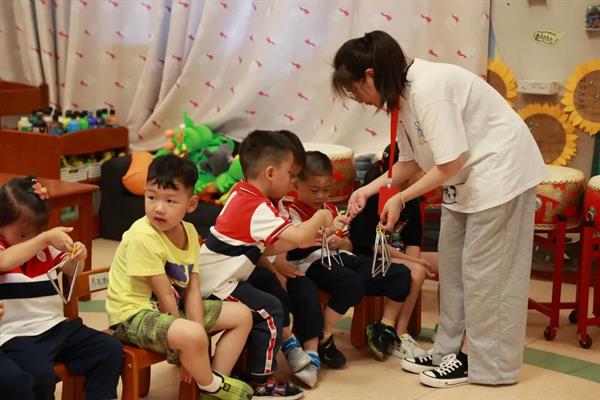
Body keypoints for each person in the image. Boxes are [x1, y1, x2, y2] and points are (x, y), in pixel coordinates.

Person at [333, 30, 546, 388]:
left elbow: (448, 162)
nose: (360, 100)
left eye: (356, 91)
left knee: (486, 275)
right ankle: (448, 350)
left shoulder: (429, 90)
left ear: (370, 75)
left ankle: (481, 363)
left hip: (501, 175)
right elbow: (411, 162)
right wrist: (368, 190)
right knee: (453, 266)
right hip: (468, 181)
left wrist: (401, 198)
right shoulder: (402, 95)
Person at [198, 130, 333, 399]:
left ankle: (245, 368)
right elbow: (298, 236)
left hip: (217, 278)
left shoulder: (242, 193)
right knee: (270, 309)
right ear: (270, 173)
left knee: (267, 290)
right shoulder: (256, 206)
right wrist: (322, 216)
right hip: (216, 285)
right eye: (290, 175)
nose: (292, 182)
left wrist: (304, 237)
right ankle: (262, 382)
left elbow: (268, 247)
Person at [106, 155, 253, 400]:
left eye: (170, 200)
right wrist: (184, 350)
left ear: (191, 204)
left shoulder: (190, 232)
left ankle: (212, 387)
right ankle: (212, 384)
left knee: (242, 315)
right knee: (193, 335)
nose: (158, 207)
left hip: (170, 311)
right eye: (151, 197)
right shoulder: (142, 235)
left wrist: (195, 341)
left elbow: (192, 288)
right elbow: (164, 294)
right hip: (132, 316)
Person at [278, 151, 419, 366]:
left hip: (342, 258)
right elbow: (298, 243)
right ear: (296, 185)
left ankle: (384, 327)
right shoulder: (291, 212)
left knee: (400, 274)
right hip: (312, 263)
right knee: (350, 283)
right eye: (314, 190)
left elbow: (348, 244)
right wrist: (326, 233)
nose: (320, 196)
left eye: (326, 190)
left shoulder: (332, 208)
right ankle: (324, 336)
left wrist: (339, 241)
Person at [0, 176, 122, 400]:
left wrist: (78, 256)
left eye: (36, 232)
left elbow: (71, 270)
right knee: (39, 376)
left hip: (57, 327)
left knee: (109, 349)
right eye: (22, 235)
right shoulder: (13, 247)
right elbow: (4, 261)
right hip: (17, 336)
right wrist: (43, 238)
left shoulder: (45, 246)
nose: (30, 239)